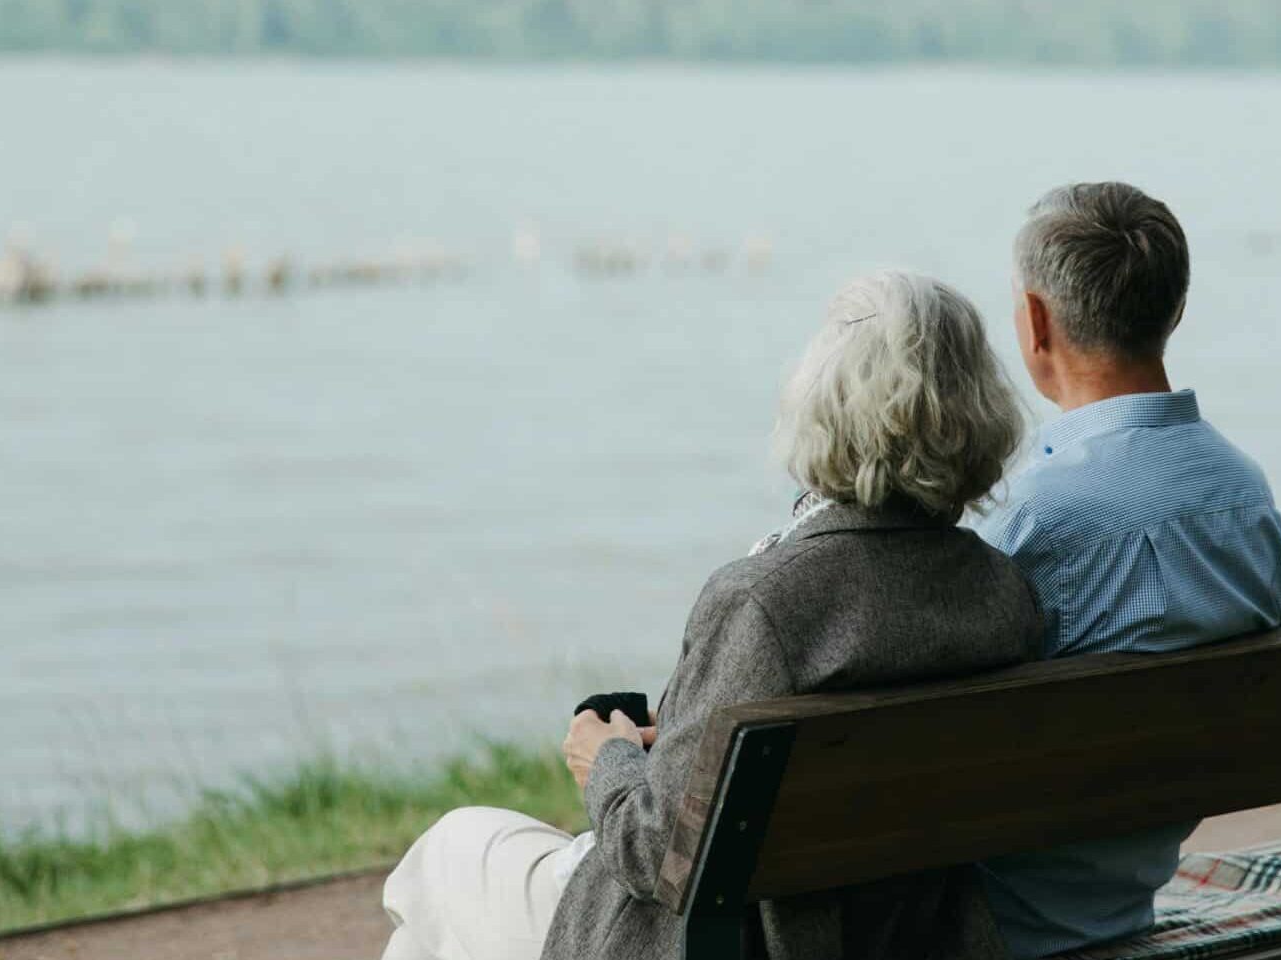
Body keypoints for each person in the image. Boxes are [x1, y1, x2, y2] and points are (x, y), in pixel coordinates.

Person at [381, 270, 1044, 960]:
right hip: (913, 939)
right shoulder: (1003, 593)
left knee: (445, 859)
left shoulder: (764, 603)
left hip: (732, 941)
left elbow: (659, 855)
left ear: (821, 410)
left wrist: (602, 757)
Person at [973, 182, 1281, 958]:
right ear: (1174, 312)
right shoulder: (1245, 499)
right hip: (1134, 884)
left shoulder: (1026, 520)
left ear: (1037, 322)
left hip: (998, 916)